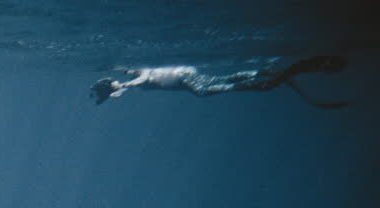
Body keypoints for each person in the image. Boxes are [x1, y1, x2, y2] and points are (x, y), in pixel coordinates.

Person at [92, 55, 347, 108]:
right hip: (185, 74)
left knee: (203, 91)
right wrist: (122, 88)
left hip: (184, 77)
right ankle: (259, 72)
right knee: (217, 81)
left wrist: (124, 86)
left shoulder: (136, 75)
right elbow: (140, 78)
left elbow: (143, 78)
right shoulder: (133, 75)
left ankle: (259, 81)